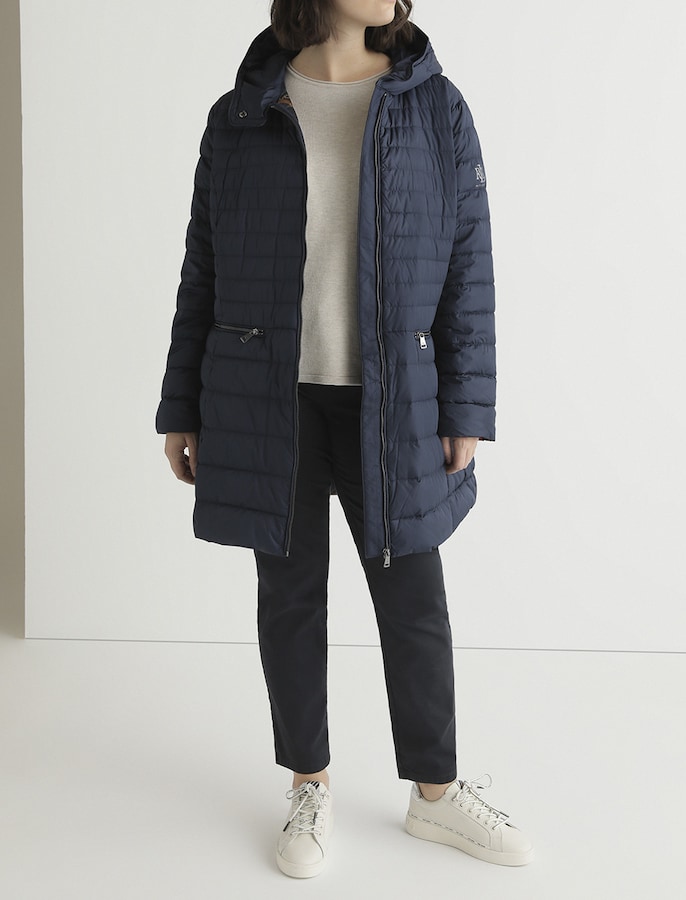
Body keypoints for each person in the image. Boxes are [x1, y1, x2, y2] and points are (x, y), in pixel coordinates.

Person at [156, 0, 533, 879]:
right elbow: (202, 264)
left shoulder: (434, 106)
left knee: (414, 603)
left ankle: (434, 793)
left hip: (393, 400)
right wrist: (182, 405)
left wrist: (464, 405)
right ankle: (308, 785)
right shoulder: (243, 111)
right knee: (289, 599)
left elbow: (468, 261)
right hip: (267, 396)